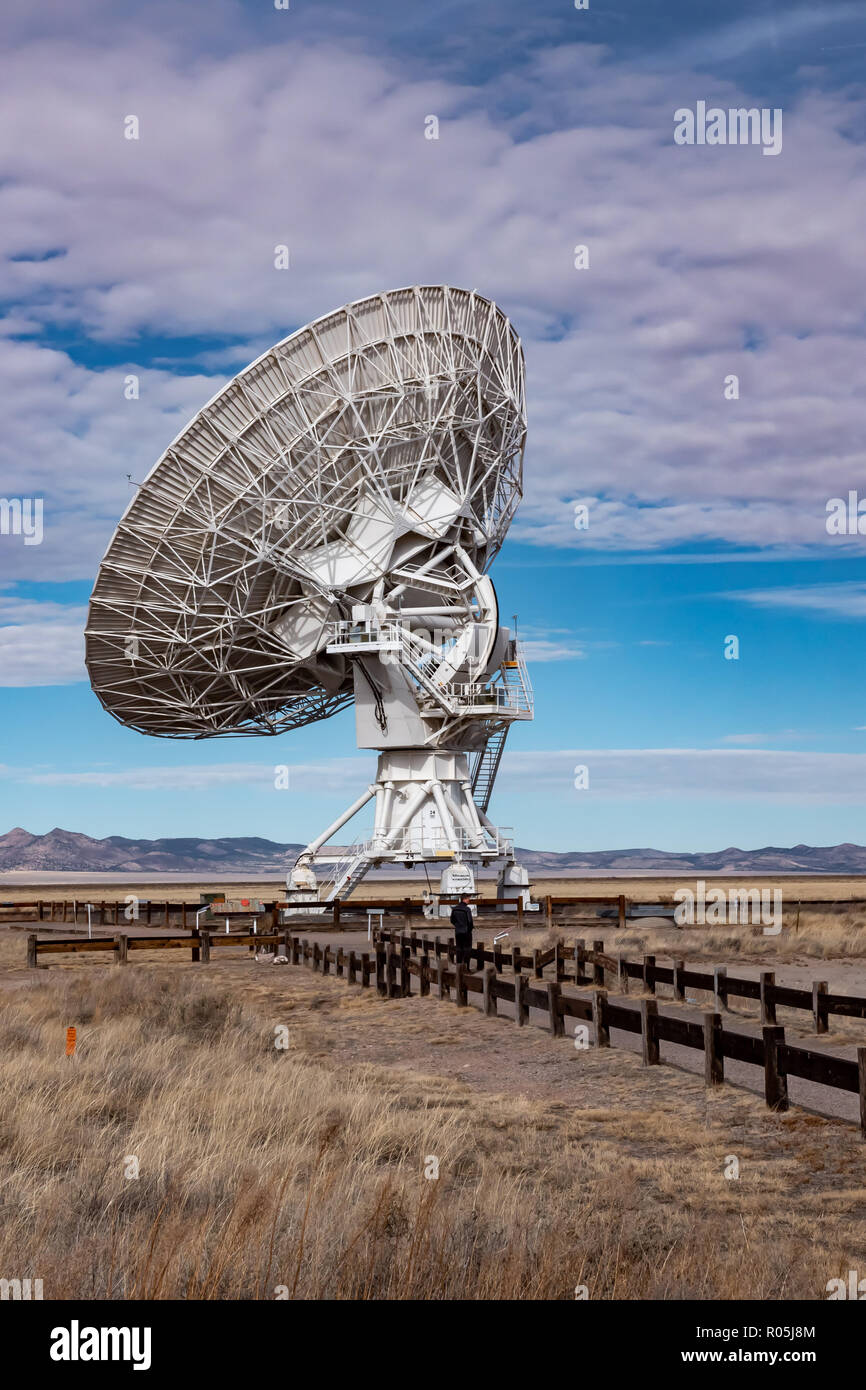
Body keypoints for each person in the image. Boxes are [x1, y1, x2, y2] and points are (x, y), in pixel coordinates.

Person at [450, 893, 475, 969]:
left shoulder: (455, 909)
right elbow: (470, 922)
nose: (469, 901)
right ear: (464, 899)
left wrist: (457, 926)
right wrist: (469, 929)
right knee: (467, 949)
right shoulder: (467, 909)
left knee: (459, 949)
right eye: (468, 899)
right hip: (466, 932)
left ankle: (458, 967)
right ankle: (466, 967)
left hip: (458, 932)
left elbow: (452, 920)